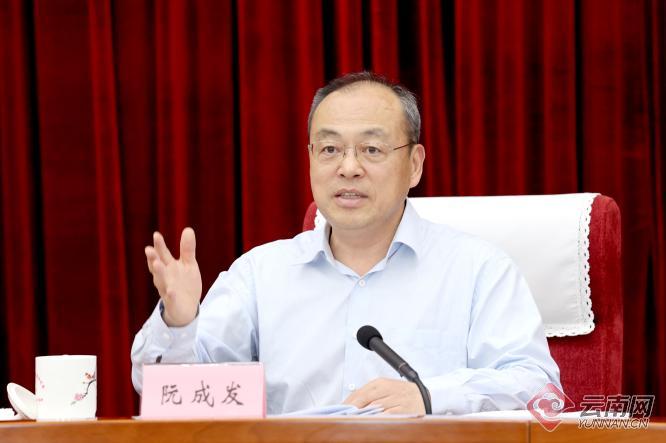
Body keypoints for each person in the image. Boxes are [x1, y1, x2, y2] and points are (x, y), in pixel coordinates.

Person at [131, 72, 561, 415]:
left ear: (414, 165)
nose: (348, 167)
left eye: (371, 149)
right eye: (330, 149)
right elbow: (171, 397)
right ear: (310, 159)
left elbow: (539, 388)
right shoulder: (259, 276)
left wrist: (430, 396)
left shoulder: (477, 269)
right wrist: (179, 324)